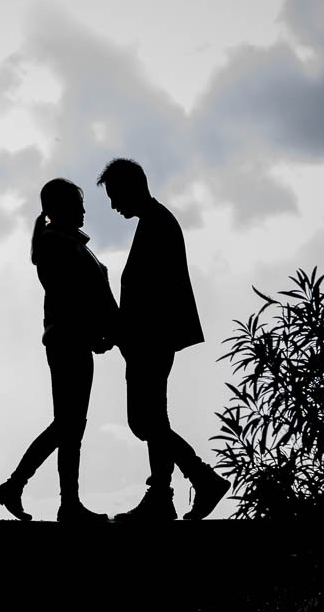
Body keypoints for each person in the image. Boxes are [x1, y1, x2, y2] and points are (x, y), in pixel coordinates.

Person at [97, 158, 229, 521]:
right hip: (149, 340)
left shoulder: (157, 224)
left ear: (131, 187)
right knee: (151, 418)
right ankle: (163, 494)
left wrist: (119, 330)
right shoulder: (156, 222)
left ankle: (198, 479)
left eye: (114, 196)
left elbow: (150, 296)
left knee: (145, 421)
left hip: (150, 342)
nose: (112, 205)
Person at [0, 178, 118, 523]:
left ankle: (34, 492)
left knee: (70, 424)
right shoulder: (56, 243)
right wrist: (98, 330)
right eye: (77, 204)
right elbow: (73, 295)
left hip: (73, 340)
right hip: (69, 341)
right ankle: (41, 494)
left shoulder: (65, 242)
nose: (84, 210)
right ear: (57, 208)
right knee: (69, 424)